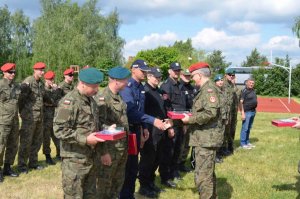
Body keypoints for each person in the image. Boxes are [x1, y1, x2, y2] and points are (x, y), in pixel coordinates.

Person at [53, 67, 105, 198]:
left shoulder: (91, 100)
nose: (97, 90)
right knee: (74, 195)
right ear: (82, 84)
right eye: (94, 87)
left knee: (90, 194)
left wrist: (107, 130)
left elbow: (92, 124)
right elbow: (59, 130)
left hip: (90, 158)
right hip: (74, 160)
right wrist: (85, 139)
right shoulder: (69, 102)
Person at [119, 59, 166, 199]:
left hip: (137, 129)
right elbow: (131, 111)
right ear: (133, 69)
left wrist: (144, 128)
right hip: (127, 131)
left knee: (133, 167)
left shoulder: (140, 87)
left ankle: (130, 194)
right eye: (142, 70)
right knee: (128, 167)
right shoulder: (127, 87)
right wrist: (152, 121)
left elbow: (142, 110)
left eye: (146, 71)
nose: (145, 73)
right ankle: (125, 195)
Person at [181, 62, 223, 199]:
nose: (192, 78)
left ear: (199, 75)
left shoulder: (208, 90)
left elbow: (210, 113)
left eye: (193, 76)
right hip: (204, 138)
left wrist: (190, 120)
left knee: (203, 177)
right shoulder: (206, 89)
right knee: (207, 174)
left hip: (206, 139)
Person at [95, 66, 131, 199]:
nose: (127, 83)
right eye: (125, 80)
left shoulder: (118, 96)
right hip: (110, 150)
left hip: (121, 148)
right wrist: (104, 152)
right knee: (104, 186)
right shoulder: (103, 98)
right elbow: (98, 126)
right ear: (116, 81)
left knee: (117, 184)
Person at [139, 67, 174, 197]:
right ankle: (144, 185)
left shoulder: (160, 91)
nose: (158, 79)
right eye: (155, 77)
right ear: (149, 76)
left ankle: (151, 183)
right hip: (150, 129)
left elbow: (165, 109)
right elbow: (141, 112)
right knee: (148, 158)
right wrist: (144, 129)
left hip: (161, 128)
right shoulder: (145, 91)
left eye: (159, 77)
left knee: (157, 157)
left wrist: (169, 125)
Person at [18, 62, 48, 173]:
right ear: (34, 70)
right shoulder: (28, 82)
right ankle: (21, 165)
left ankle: (33, 163)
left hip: (39, 116)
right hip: (29, 117)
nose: (42, 72)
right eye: (40, 70)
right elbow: (21, 99)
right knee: (26, 141)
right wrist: (23, 113)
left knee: (37, 141)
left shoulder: (40, 83)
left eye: (43, 70)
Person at [160, 61, 186, 181]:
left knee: (177, 148)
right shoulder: (166, 86)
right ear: (169, 71)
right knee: (169, 150)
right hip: (171, 123)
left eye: (178, 70)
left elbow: (183, 105)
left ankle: (174, 171)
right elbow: (165, 107)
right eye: (175, 70)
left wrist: (184, 123)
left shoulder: (179, 85)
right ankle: (166, 175)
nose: (177, 72)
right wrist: (169, 127)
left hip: (180, 122)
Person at [0, 63, 21, 182]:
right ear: (4, 73)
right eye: (10, 72)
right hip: (3, 121)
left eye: (14, 72)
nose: (13, 74)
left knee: (13, 145)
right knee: (1, 146)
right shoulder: (1, 85)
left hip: (14, 120)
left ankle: (7, 168)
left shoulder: (16, 86)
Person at [178, 69, 198, 172]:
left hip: (192, 118)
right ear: (181, 75)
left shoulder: (192, 87)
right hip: (183, 119)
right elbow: (181, 106)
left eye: (189, 75)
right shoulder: (179, 87)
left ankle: (182, 162)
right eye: (185, 75)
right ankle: (177, 163)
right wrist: (184, 123)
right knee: (181, 143)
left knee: (188, 142)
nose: (187, 77)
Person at [42, 71, 62, 164]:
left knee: (57, 137)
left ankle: (60, 154)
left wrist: (51, 103)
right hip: (46, 117)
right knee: (46, 138)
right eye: (49, 79)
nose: (51, 81)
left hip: (55, 117)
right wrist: (55, 91)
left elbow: (58, 102)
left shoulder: (55, 89)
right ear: (45, 79)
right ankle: (47, 156)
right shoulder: (43, 89)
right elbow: (52, 100)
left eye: (52, 79)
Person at [214, 74, 229, 164]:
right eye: (218, 81)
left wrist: (226, 117)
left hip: (223, 118)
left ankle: (218, 153)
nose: (220, 82)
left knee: (220, 137)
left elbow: (225, 106)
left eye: (222, 80)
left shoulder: (223, 91)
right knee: (216, 137)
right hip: (217, 119)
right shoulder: (214, 92)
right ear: (215, 82)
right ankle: (214, 156)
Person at [222, 68, 238, 155]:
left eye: (233, 75)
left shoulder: (231, 85)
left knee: (229, 130)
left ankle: (228, 147)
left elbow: (236, 93)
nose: (231, 76)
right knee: (224, 131)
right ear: (226, 75)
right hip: (224, 112)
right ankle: (222, 149)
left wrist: (234, 84)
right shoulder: (222, 84)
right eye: (230, 75)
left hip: (230, 112)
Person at [239, 78, 257, 149]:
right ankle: (243, 143)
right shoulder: (244, 91)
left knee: (249, 128)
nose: (251, 84)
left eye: (253, 83)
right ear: (247, 83)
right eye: (250, 83)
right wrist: (242, 113)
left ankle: (247, 142)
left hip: (253, 111)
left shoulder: (253, 90)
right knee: (245, 128)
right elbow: (240, 103)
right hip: (247, 112)